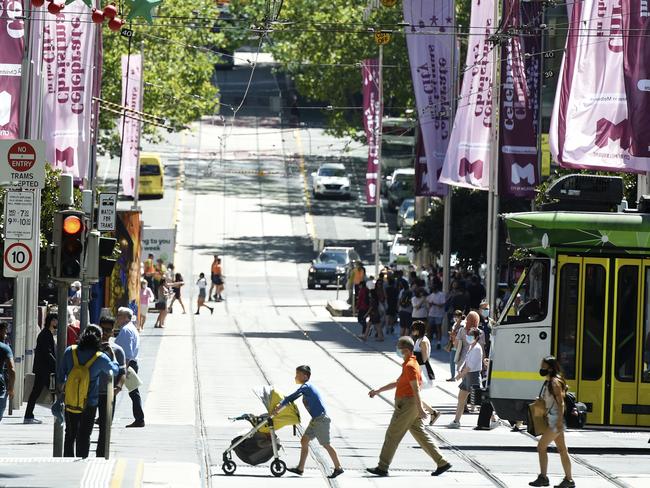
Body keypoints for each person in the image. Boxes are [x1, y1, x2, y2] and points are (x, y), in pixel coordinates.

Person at [366, 336, 452, 478]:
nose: (397, 351)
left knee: (392, 435)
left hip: (406, 405)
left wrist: (419, 409)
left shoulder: (410, 366)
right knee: (420, 434)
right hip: (408, 405)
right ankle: (442, 462)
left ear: (405, 350)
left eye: (399, 348)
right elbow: (398, 382)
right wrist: (378, 390)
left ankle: (382, 467)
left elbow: (416, 389)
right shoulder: (410, 363)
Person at [271, 365, 343, 479]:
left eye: (297, 374)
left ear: (305, 376)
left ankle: (338, 468)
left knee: (326, 444)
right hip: (316, 420)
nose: (295, 376)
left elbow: (290, 398)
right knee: (304, 441)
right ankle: (300, 469)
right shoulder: (306, 387)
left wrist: (278, 407)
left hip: (321, 420)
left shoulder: (306, 387)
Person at [58, 325, 118, 458]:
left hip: (71, 400)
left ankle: (67, 458)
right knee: (84, 434)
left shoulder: (70, 351)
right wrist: (112, 355)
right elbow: (114, 370)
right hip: (89, 402)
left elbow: (61, 376)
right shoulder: (100, 357)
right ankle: (81, 458)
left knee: (70, 433)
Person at [529, 356, 575, 488]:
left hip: (555, 421)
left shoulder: (554, 382)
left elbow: (561, 403)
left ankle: (543, 477)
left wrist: (559, 421)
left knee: (541, 447)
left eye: (543, 366)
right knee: (562, 449)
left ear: (550, 368)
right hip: (553, 420)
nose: (541, 369)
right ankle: (569, 480)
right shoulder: (549, 382)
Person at [96, 317, 127, 457]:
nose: (104, 333)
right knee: (83, 427)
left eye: (108, 330)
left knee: (105, 428)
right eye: (102, 329)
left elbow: (122, 372)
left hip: (108, 395)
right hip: (90, 392)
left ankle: (101, 456)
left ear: (113, 331)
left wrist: (118, 388)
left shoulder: (117, 350)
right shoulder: (90, 347)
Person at [24, 313, 58, 424]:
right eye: (56, 320)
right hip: (43, 369)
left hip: (45, 369)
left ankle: (29, 415)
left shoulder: (47, 334)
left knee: (54, 391)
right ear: (52, 321)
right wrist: (56, 364)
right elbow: (47, 352)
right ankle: (28, 416)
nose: (57, 323)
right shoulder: (45, 334)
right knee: (44, 391)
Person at [114, 307, 145, 428]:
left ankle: (139, 418)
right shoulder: (130, 328)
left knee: (125, 390)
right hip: (129, 363)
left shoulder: (126, 330)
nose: (117, 317)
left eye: (119, 315)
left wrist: (123, 369)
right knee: (131, 391)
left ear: (126, 317)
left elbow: (127, 352)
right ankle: (139, 418)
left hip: (126, 364)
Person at [448, 328, 483, 428]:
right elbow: (466, 360)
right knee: (461, 398)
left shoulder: (477, 348)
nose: (468, 337)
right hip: (467, 376)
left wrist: (460, 375)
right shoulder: (471, 347)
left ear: (476, 338)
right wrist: (460, 368)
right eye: (468, 335)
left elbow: (470, 366)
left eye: (471, 335)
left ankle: (493, 419)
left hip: (473, 376)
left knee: (478, 401)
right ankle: (456, 421)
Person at [411, 321, 440, 426]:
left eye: (414, 329)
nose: (412, 331)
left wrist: (414, 356)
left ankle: (428, 413)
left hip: (423, 371)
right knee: (414, 393)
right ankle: (430, 412)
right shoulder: (419, 340)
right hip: (419, 369)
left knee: (414, 393)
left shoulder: (423, 341)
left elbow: (425, 358)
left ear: (418, 330)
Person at [0, 322, 16, 423]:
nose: (6, 335)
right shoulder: (5, 348)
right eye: (5, 332)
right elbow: (12, 370)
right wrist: (11, 388)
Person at [426, 280, 446, 349]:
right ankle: (429, 341)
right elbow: (428, 304)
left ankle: (439, 342)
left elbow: (442, 304)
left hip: (439, 314)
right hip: (431, 313)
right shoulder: (431, 295)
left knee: (438, 328)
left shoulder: (441, 295)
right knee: (429, 328)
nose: (433, 291)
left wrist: (434, 304)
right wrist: (430, 305)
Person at [446, 311, 464, 381]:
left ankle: (461, 376)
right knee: (452, 361)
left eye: (457, 316)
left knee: (460, 361)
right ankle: (452, 376)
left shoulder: (462, 324)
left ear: (460, 317)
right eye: (455, 316)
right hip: (453, 344)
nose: (455, 318)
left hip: (459, 345)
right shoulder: (454, 324)